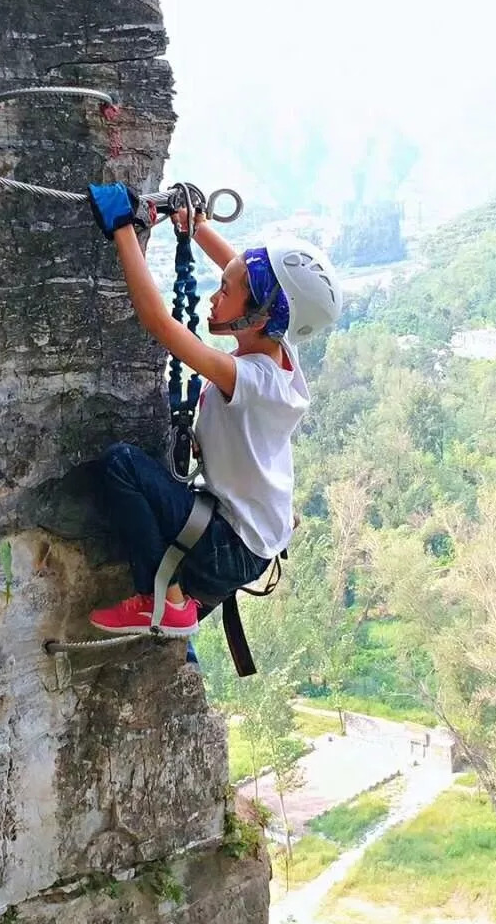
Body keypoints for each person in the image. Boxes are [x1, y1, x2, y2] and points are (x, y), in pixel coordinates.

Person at [85, 182, 342, 636]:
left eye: (224, 292)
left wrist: (123, 231)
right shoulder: (278, 345)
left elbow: (160, 324)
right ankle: (181, 603)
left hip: (232, 546)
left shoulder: (253, 380)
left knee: (122, 465)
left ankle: (163, 601)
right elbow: (240, 271)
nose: (213, 297)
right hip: (254, 536)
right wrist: (196, 227)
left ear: (260, 316)